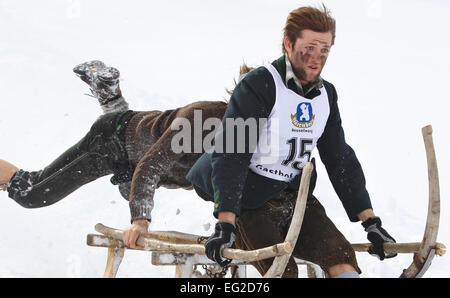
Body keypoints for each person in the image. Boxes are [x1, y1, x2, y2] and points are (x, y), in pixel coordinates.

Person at [186, 5, 397, 278]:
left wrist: (371, 223)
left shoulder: (326, 95)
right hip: (246, 197)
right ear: (288, 43)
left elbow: (339, 158)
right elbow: (231, 154)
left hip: (294, 197)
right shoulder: (260, 84)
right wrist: (226, 222)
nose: (317, 58)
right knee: (282, 271)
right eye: (309, 47)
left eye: (324, 50)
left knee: (343, 261)